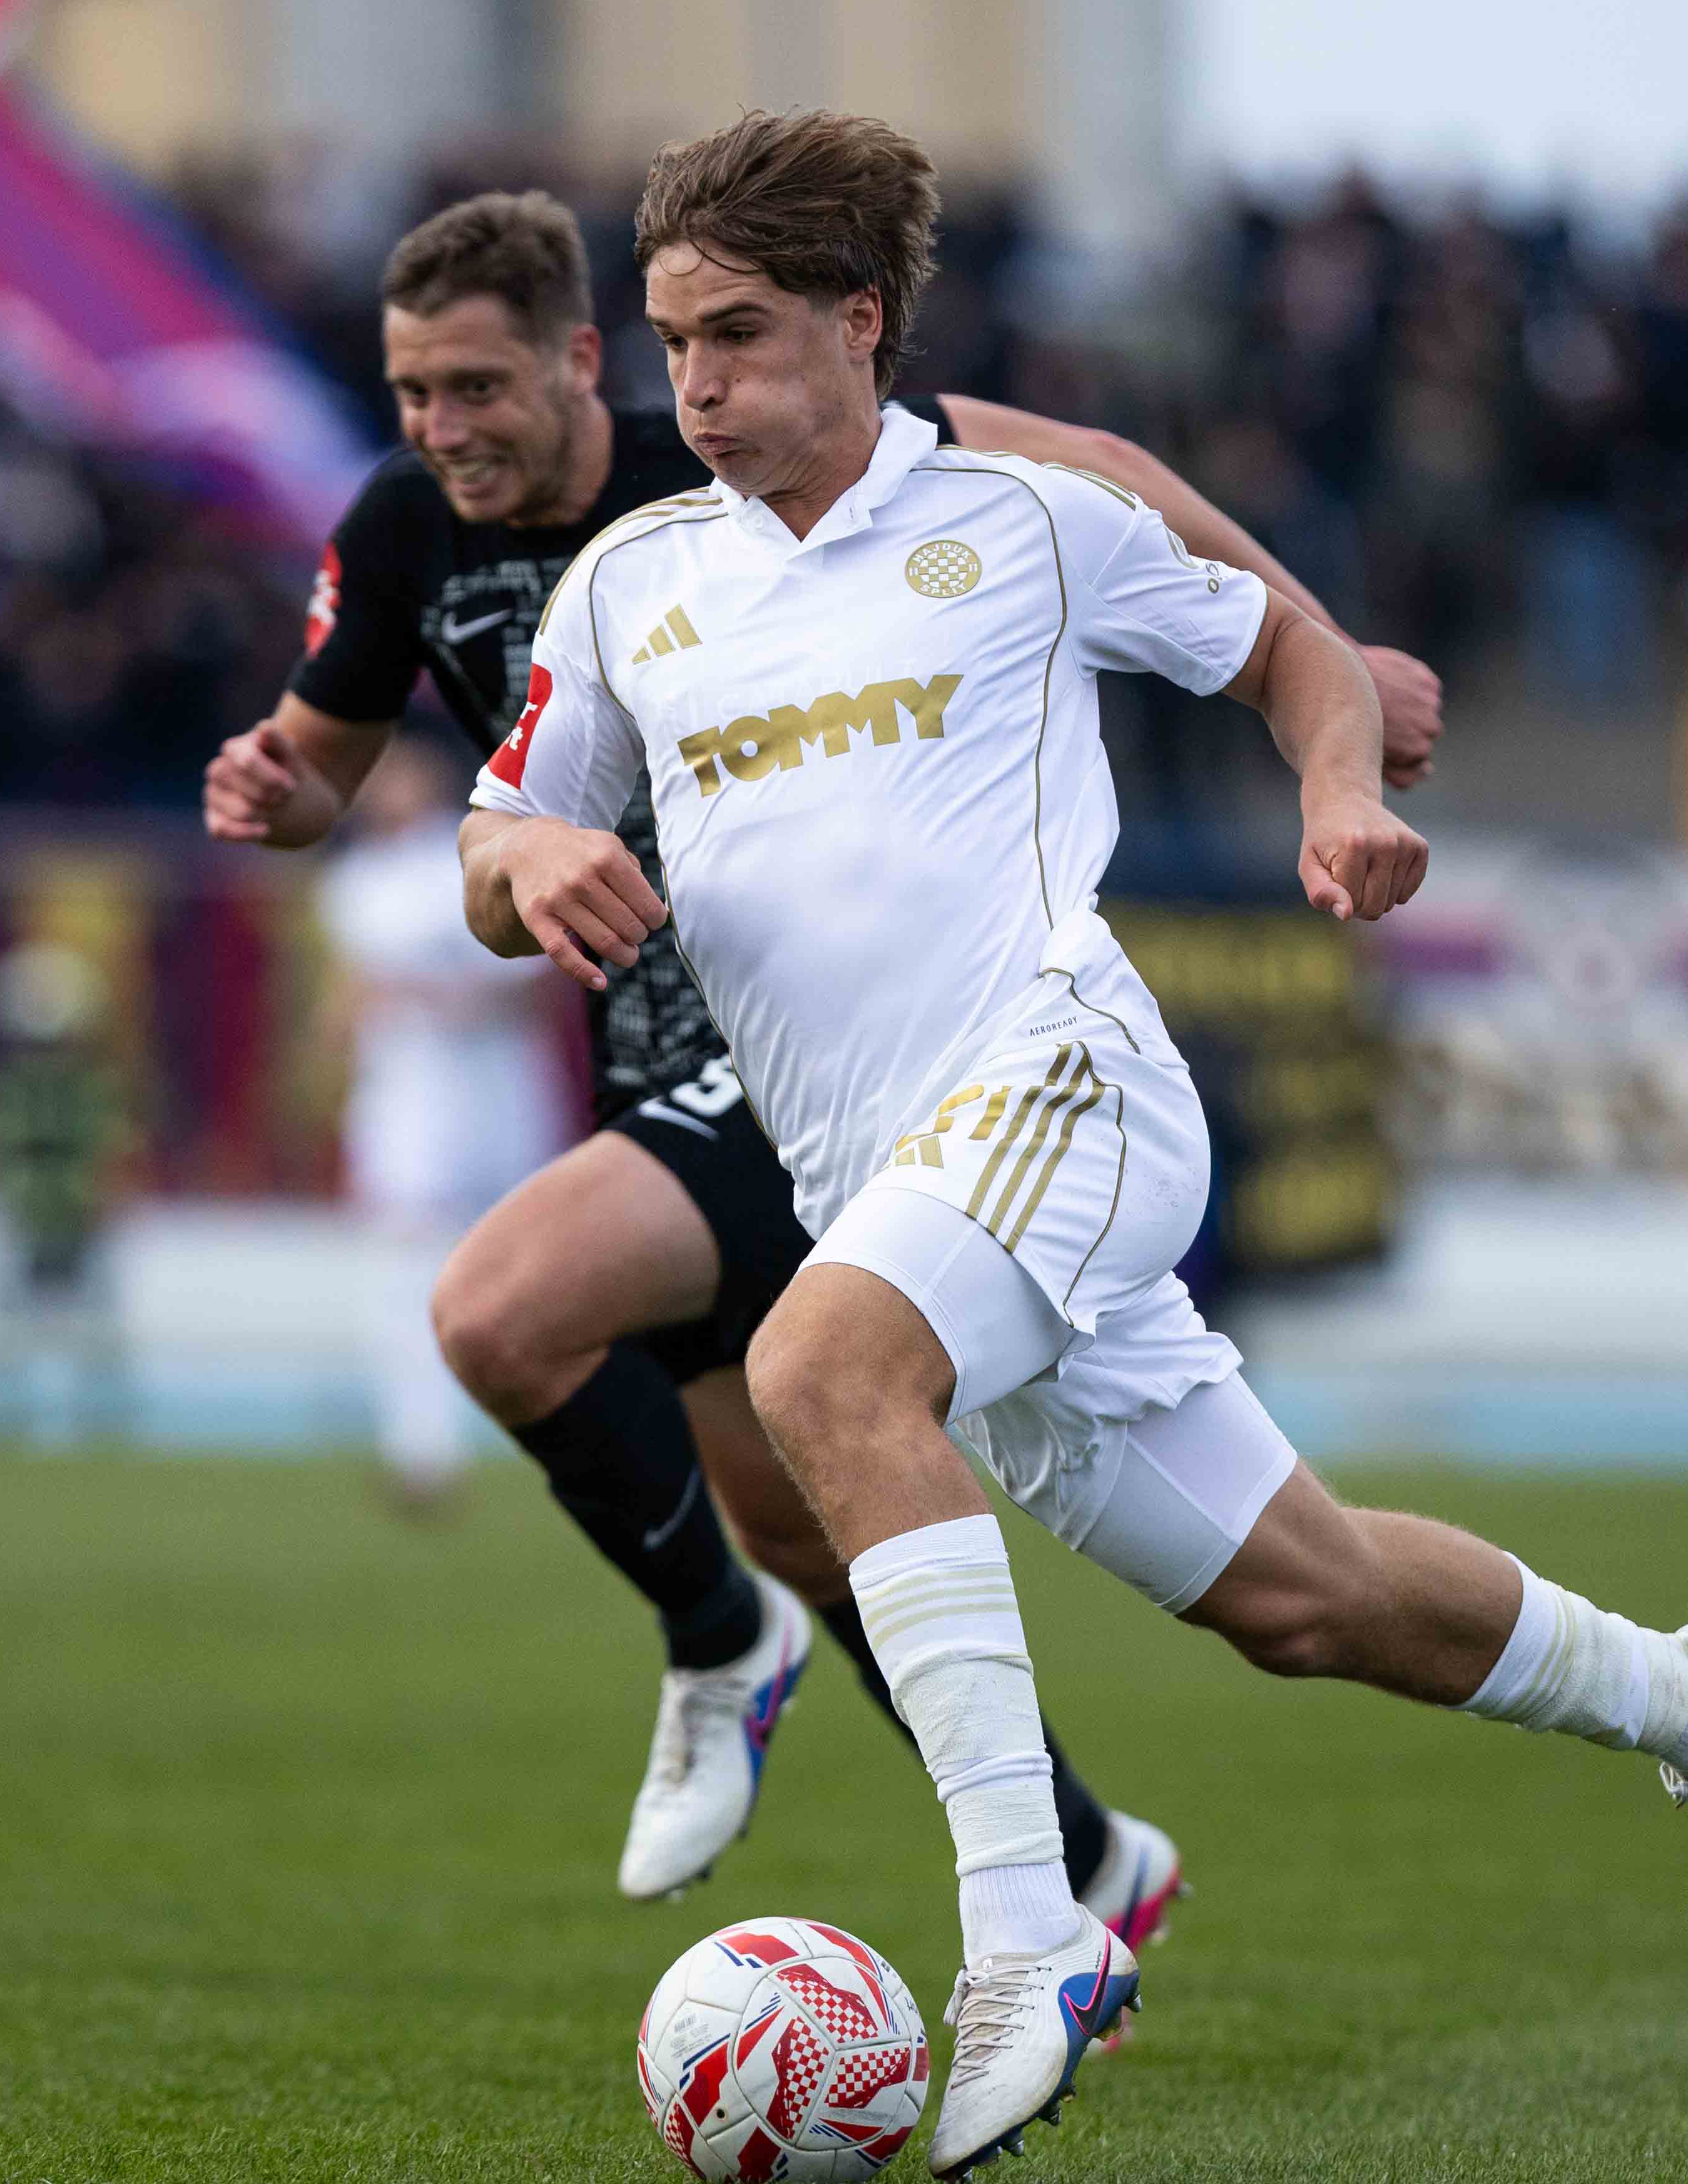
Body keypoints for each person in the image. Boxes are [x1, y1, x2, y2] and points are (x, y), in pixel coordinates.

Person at [465, 110, 1688, 2181]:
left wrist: (1337, 792)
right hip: (890, 1187)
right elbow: (494, 839)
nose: (700, 391)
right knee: (1309, 1598)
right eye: (671, 347)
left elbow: (1286, 645)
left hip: (1070, 1087)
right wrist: (536, 848)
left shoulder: (1020, 514)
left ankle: (1032, 1937)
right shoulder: (634, 582)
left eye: (740, 338)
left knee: (822, 1370)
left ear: (864, 323)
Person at [206, 190, 1438, 1938]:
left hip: (808, 1053)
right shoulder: (405, 530)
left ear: (574, 364)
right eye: (412, 394)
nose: (442, 429)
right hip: (682, 1058)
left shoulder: (742, 463)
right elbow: (335, 773)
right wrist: (277, 789)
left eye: (477, 388)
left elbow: (1079, 463)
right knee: (803, 1518)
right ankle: (1084, 1856)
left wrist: (1326, 660)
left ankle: (732, 1664)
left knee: (503, 1307)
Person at [315, 733, 570, 1511]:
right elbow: (351, 998)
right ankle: (423, 1450)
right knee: (405, 1274)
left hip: (498, 1085)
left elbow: (538, 982)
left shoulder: (486, 859)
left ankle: (568, 1441)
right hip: (410, 1097)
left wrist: (443, 999)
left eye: (398, 769)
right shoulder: (354, 882)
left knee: (541, 1268)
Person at [0, 939, 130, 1444]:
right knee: (16, 1322)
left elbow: (108, 1154)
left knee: (84, 1323)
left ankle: (92, 1409)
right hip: (39, 1210)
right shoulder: (14, 1088)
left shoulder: (79, 1088)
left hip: (61, 1212)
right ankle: (9, 1406)